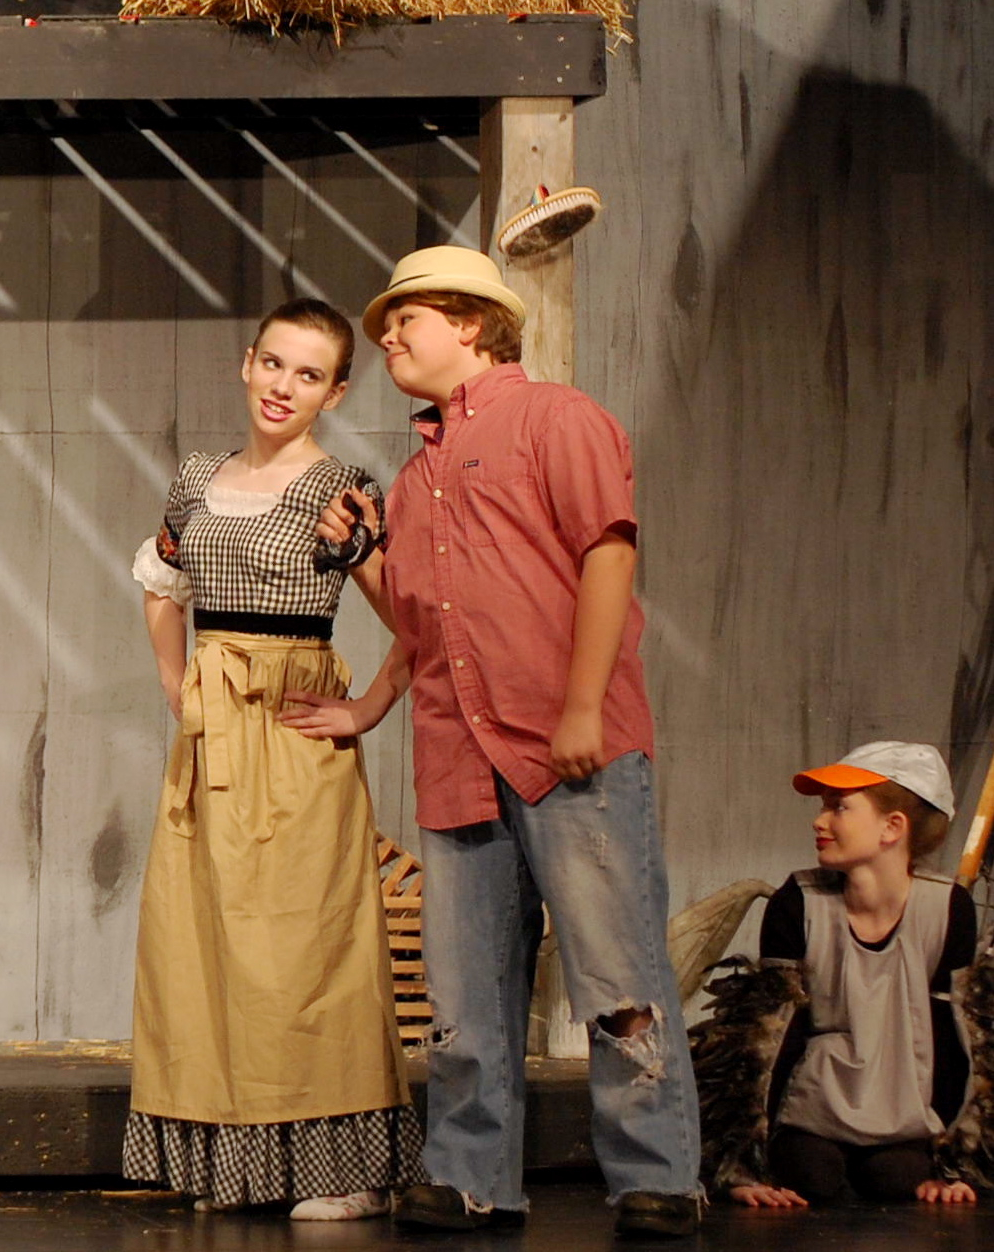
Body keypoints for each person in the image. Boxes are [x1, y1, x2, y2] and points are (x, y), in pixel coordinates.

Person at [296, 245, 703, 1237]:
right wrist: (361, 568)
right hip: (459, 757)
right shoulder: (413, 478)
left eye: (407, 319)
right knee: (465, 991)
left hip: (568, 747)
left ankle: (656, 1174)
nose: (389, 338)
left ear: (471, 323)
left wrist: (581, 705)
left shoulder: (557, 419)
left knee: (615, 975)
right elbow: (420, 626)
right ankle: (471, 1173)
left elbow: (607, 554)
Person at [123, 298, 414, 1219]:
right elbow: (162, 579)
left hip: (290, 727)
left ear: (337, 392)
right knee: (204, 940)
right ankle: (242, 1165)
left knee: (302, 944)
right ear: (248, 363)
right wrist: (174, 681)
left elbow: (415, 618)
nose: (285, 386)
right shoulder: (198, 476)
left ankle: (345, 1170)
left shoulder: (341, 489)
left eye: (309, 374)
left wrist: (367, 707)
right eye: (275, 364)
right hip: (213, 730)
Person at [695, 742, 982, 1209]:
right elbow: (764, 1039)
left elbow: (962, 1039)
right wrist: (743, 1166)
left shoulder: (948, 909)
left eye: (839, 807)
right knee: (812, 1175)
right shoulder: (799, 902)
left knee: (897, 1179)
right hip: (814, 1110)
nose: (820, 821)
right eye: (823, 807)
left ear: (892, 827)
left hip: (902, 1113)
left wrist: (953, 1167)